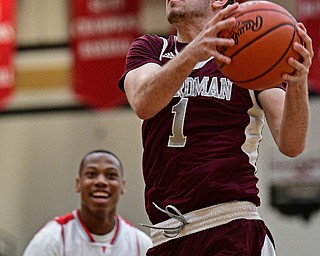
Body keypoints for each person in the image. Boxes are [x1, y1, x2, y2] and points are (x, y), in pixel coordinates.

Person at [118, 0, 314, 255]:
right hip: (167, 234)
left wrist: (298, 82)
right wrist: (194, 52)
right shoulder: (151, 48)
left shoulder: (248, 56)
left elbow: (292, 144)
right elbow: (143, 102)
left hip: (230, 227)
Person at [23, 150, 152, 256]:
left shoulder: (140, 244)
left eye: (111, 175)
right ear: (78, 184)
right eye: (91, 174)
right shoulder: (51, 239)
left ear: (122, 186)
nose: (101, 182)